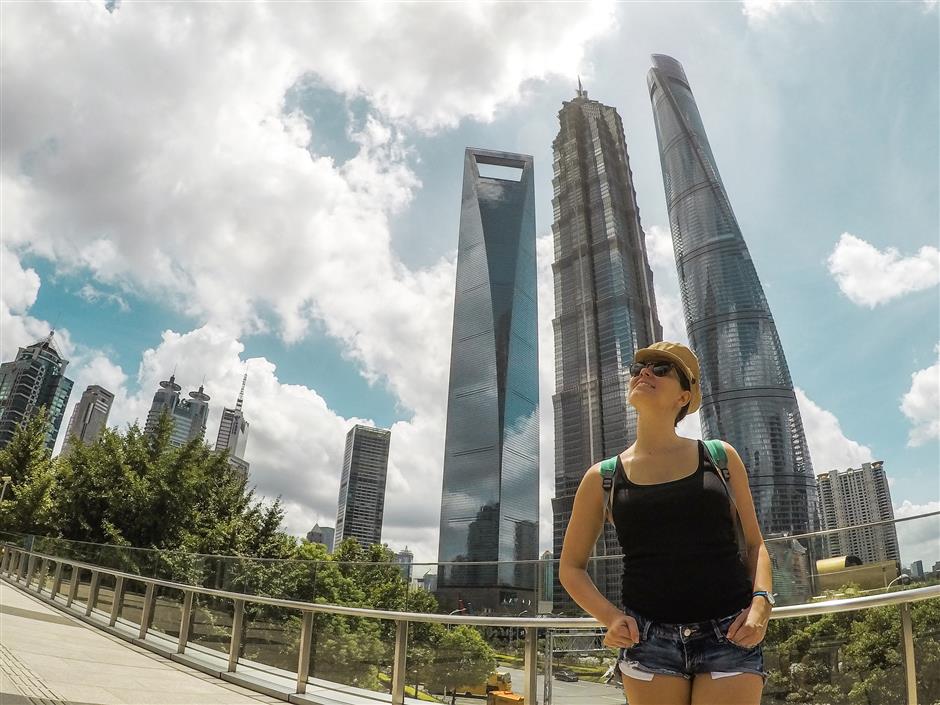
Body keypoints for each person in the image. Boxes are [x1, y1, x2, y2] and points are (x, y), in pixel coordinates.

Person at [559, 341, 773, 705]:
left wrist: (761, 604)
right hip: (648, 640)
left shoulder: (719, 457)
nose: (644, 372)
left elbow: (756, 545)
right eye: (638, 367)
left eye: (661, 369)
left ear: (684, 397)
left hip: (730, 633)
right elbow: (571, 567)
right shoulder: (603, 478)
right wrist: (609, 617)